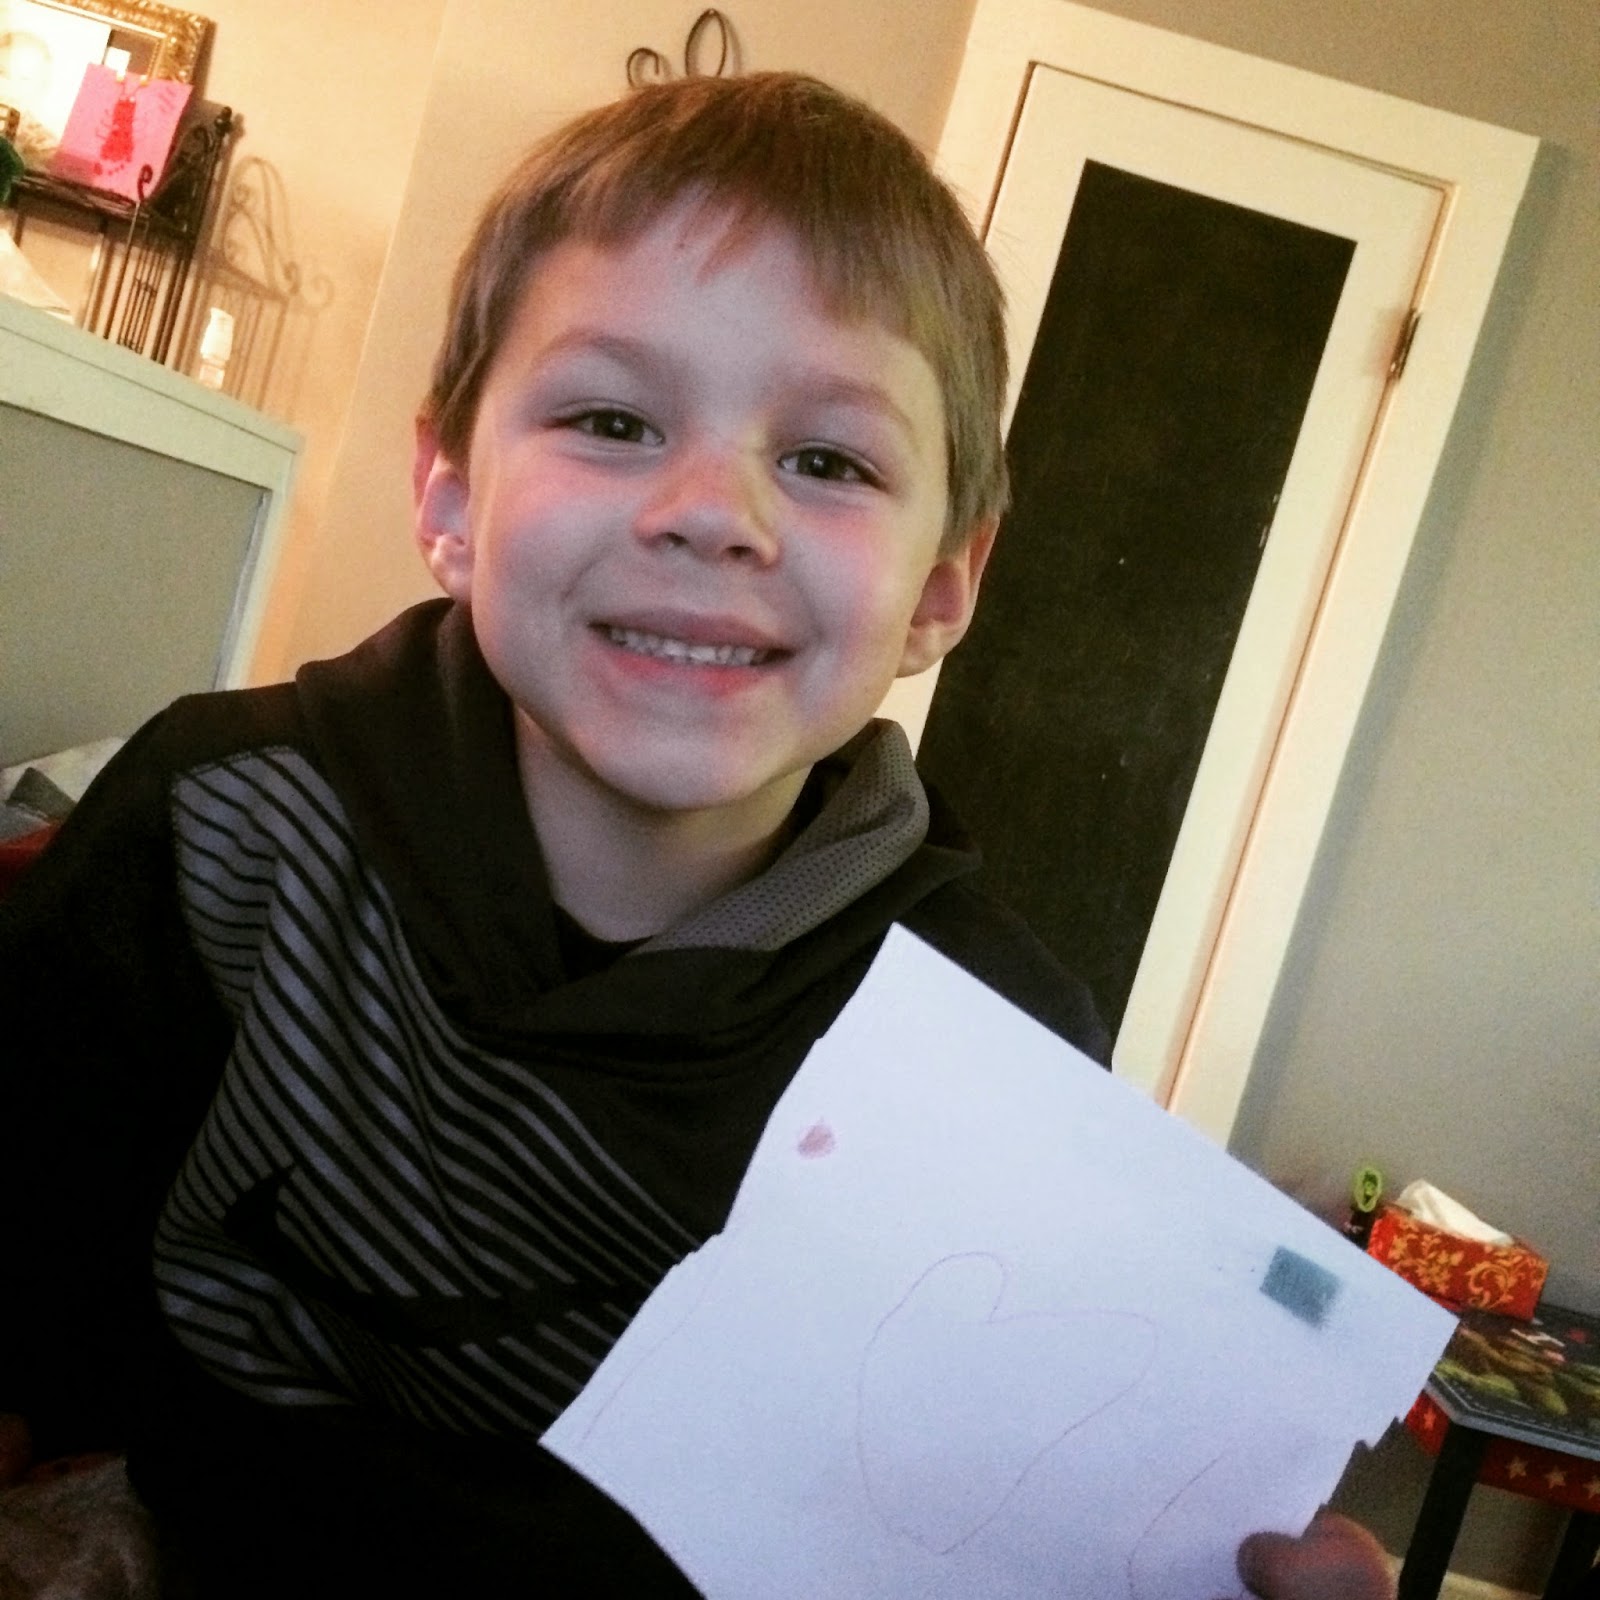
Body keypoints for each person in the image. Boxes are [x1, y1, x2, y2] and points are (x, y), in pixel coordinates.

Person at [0, 72, 1394, 1599]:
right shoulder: (219, 828)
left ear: (942, 586)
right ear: (449, 493)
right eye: (612, 419)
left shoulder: (993, 1048)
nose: (713, 511)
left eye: (829, 461)